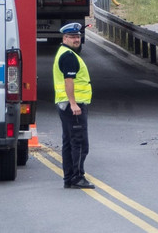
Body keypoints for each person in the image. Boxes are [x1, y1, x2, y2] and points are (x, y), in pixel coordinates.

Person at [53, 22, 94, 189]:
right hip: (73, 107)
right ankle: (77, 177)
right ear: (65, 38)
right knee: (80, 142)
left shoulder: (65, 52)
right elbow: (68, 81)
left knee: (69, 142)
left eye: (78, 37)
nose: (76, 39)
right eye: (72, 37)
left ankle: (69, 178)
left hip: (66, 105)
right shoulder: (68, 56)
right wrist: (73, 103)